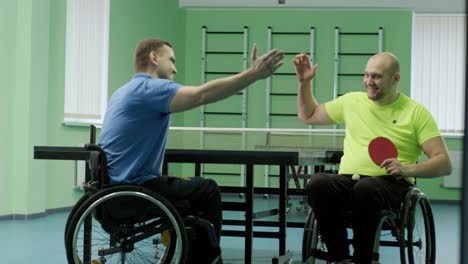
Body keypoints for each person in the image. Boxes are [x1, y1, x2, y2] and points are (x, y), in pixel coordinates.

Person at [98, 38, 284, 263]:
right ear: (154, 58)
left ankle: (194, 250)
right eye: (172, 60)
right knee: (208, 190)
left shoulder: (122, 91)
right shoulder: (150, 88)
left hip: (109, 195)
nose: (175, 68)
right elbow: (201, 95)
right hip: (133, 193)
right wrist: (253, 75)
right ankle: (209, 259)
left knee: (189, 194)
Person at [293, 52, 452, 264]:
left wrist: (407, 169)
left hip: (392, 184)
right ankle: (340, 258)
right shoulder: (351, 101)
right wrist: (304, 83)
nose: (369, 81)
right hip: (350, 181)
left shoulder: (416, 113)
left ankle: (363, 259)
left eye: (376, 76)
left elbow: (444, 163)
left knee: (366, 188)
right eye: (367, 75)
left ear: (395, 79)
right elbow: (308, 115)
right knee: (318, 183)